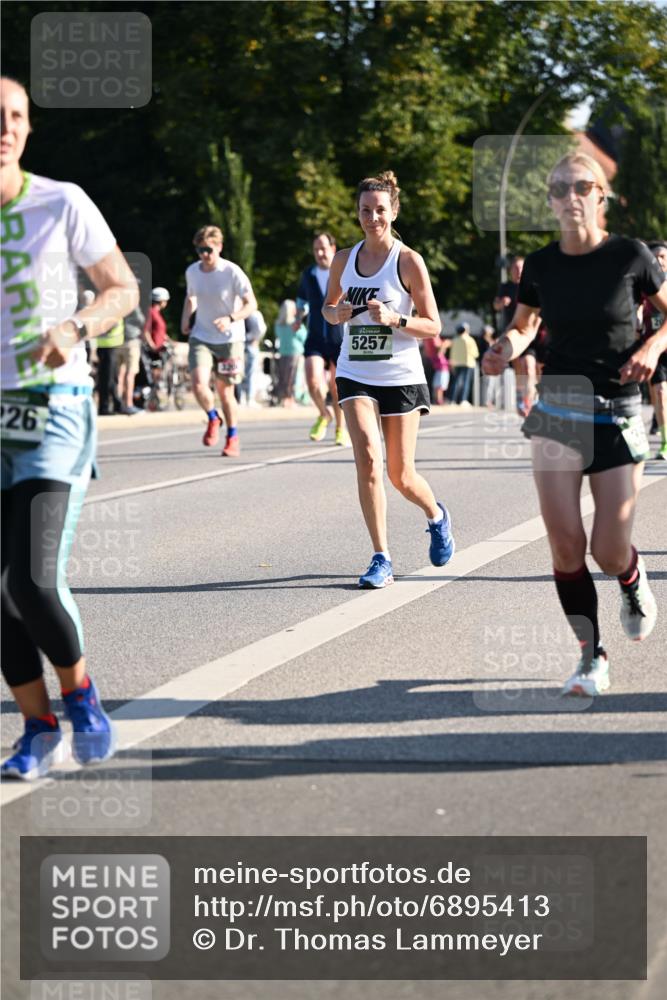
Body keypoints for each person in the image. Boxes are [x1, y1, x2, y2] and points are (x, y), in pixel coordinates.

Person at [483, 152, 667, 697]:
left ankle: (631, 580)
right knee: (565, 545)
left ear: (601, 195)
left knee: (608, 552)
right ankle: (591, 657)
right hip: (559, 403)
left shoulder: (631, 257)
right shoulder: (539, 265)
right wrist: (502, 348)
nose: (570, 196)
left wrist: (654, 346)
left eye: (582, 186)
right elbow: (523, 327)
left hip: (617, 405)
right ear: (551, 201)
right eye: (559, 188)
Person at [1, 76, 138, 778]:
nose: (5, 126)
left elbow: (122, 288)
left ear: (28, 129)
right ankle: (35, 727)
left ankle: (79, 695)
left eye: (16, 116)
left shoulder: (61, 202)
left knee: (28, 578)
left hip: (52, 406)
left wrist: (76, 325)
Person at [322, 170, 455, 588]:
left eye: (380, 210)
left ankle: (436, 516)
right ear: (357, 212)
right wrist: (336, 313)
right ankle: (381, 557)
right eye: (365, 210)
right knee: (368, 461)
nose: (372, 217)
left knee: (401, 475)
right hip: (354, 370)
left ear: (393, 211)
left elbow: (433, 326)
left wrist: (396, 318)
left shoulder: (409, 261)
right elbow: (327, 307)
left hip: (400, 374)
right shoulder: (344, 259)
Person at [180, 225, 257, 457]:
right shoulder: (192, 271)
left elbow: (251, 304)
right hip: (201, 335)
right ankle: (213, 417)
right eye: (200, 250)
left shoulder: (232, 272)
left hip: (229, 338)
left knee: (225, 392)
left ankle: (232, 436)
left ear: (219, 247)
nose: (204, 255)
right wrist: (185, 320)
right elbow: (190, 297)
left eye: (209, 250)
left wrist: (231, 318)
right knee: (198, 384)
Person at [295, 233, 350, 446]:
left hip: (339, 338)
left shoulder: (343, 272)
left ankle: (339, 428)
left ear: (333, 248)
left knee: (336, 387)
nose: (319, 253)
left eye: (323, 248)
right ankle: (323, 413)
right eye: (316, 249)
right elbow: (301, 299)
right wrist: (298, 316)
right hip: (315, 337)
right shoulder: (308, 274)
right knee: (313, 381)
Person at [494, 255, 537, 415]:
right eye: (516, 268)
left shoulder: (531, 286)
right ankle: (522, 397)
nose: (519, 271)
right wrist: (501, 302)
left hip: (529, 333)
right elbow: (495, 305)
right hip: (512, 334)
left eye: (521, 268)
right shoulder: (505, 287)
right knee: (520, 367)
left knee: (530, 366)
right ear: (511, 270)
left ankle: (529, 400)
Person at [640, 241, 667, 459]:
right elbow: (636, 308)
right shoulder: (645, 287)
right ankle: (666, 443)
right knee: (659, 392)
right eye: (655, 256)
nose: (659, 260)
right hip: (655, 348)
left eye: (663, 257)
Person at [274, 299, 307, 406]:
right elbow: (304, 337)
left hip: (283, 353)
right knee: (293, 378)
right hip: (295, 353)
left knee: (284, 377)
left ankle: (284, 398)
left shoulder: (278, 324)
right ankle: (291, 399)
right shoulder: (295, 324)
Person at [116, 303, 145, 415]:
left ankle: (118, 402)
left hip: (118, 340)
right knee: (130, 374)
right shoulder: (132, 304)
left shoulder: (116, 305)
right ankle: (128, 404)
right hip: (131, 341)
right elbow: (141, 319)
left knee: (120, 374)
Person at [238, 309, 266, 407]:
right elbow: (261, 329)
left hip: (244, 344)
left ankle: (245, 398)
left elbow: (260, 330)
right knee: (246, 373)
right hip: (246, 344)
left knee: (246, 372)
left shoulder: (250, 314)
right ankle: (245, 398)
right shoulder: (253, 314)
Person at [448, 322, 479, 406]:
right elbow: (476, 353)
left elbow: (452, 353)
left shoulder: (454, 339)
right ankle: (463, 400)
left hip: (456, 364)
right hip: (468, 363)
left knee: (456, 381)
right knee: (466, 382)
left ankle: (452, 400)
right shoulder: (470, 339)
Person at [423, 333, 450, 406]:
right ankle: (437, 400)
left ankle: (434, 400)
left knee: (434, 384)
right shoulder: (433, 335)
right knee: (438, 386)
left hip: (432, 361)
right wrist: (445, 344)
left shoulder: (426, 336)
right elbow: (438, 348)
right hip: (437, 364)